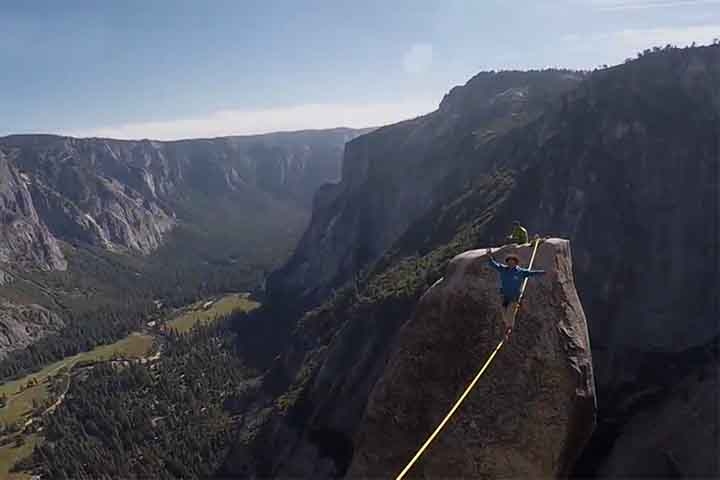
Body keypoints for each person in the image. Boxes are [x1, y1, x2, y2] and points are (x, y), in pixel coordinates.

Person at [488, 249, 546, 338]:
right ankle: (508, 325)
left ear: (516, 263)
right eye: (509, 262)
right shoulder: (503, 269)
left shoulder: (521, 272)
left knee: (510, 312)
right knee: (504, 312)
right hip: (504, 296)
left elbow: (531, 273)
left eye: (512, 262)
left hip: (514, 297)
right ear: (507, 263)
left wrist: (542, 272)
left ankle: (509, 328)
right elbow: (493, 265)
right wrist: (489, 257)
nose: (511, 264)